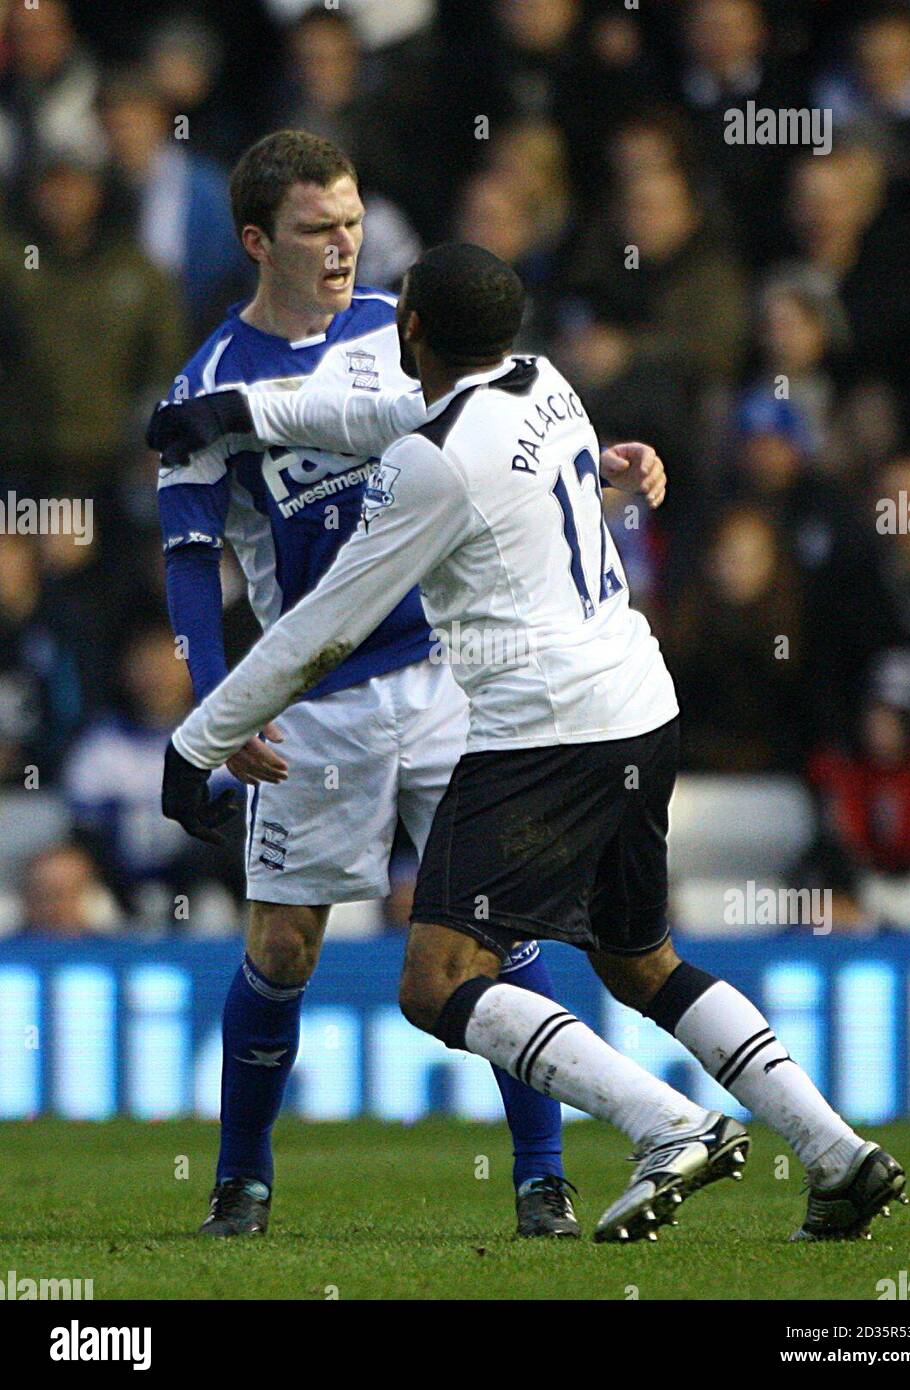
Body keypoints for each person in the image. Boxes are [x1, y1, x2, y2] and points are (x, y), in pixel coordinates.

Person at [155, 242, 906, 1243]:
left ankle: (664, 1124)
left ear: (411, 331)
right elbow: (392, 427)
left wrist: (199, 739)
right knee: (641, 962)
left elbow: (319, 627)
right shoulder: (543, 381)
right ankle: (834, 1153)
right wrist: (244, 413)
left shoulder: (431, 465)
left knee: (438, 980)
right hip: (638, 705)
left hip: (539, 736)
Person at [149, 130, 665, 1241]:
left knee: (500, 935)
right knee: (282, 946)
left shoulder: (402, 328)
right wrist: (215, 696)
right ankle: (240, 1181)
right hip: (309, 703)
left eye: (349, 222)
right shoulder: (206, 383)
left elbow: (511, 434)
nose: (342, 247)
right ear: (254, 240)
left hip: (445, 677)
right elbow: (189, 553)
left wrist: (603, 457)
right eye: (314, 230)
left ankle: (540, 1176)